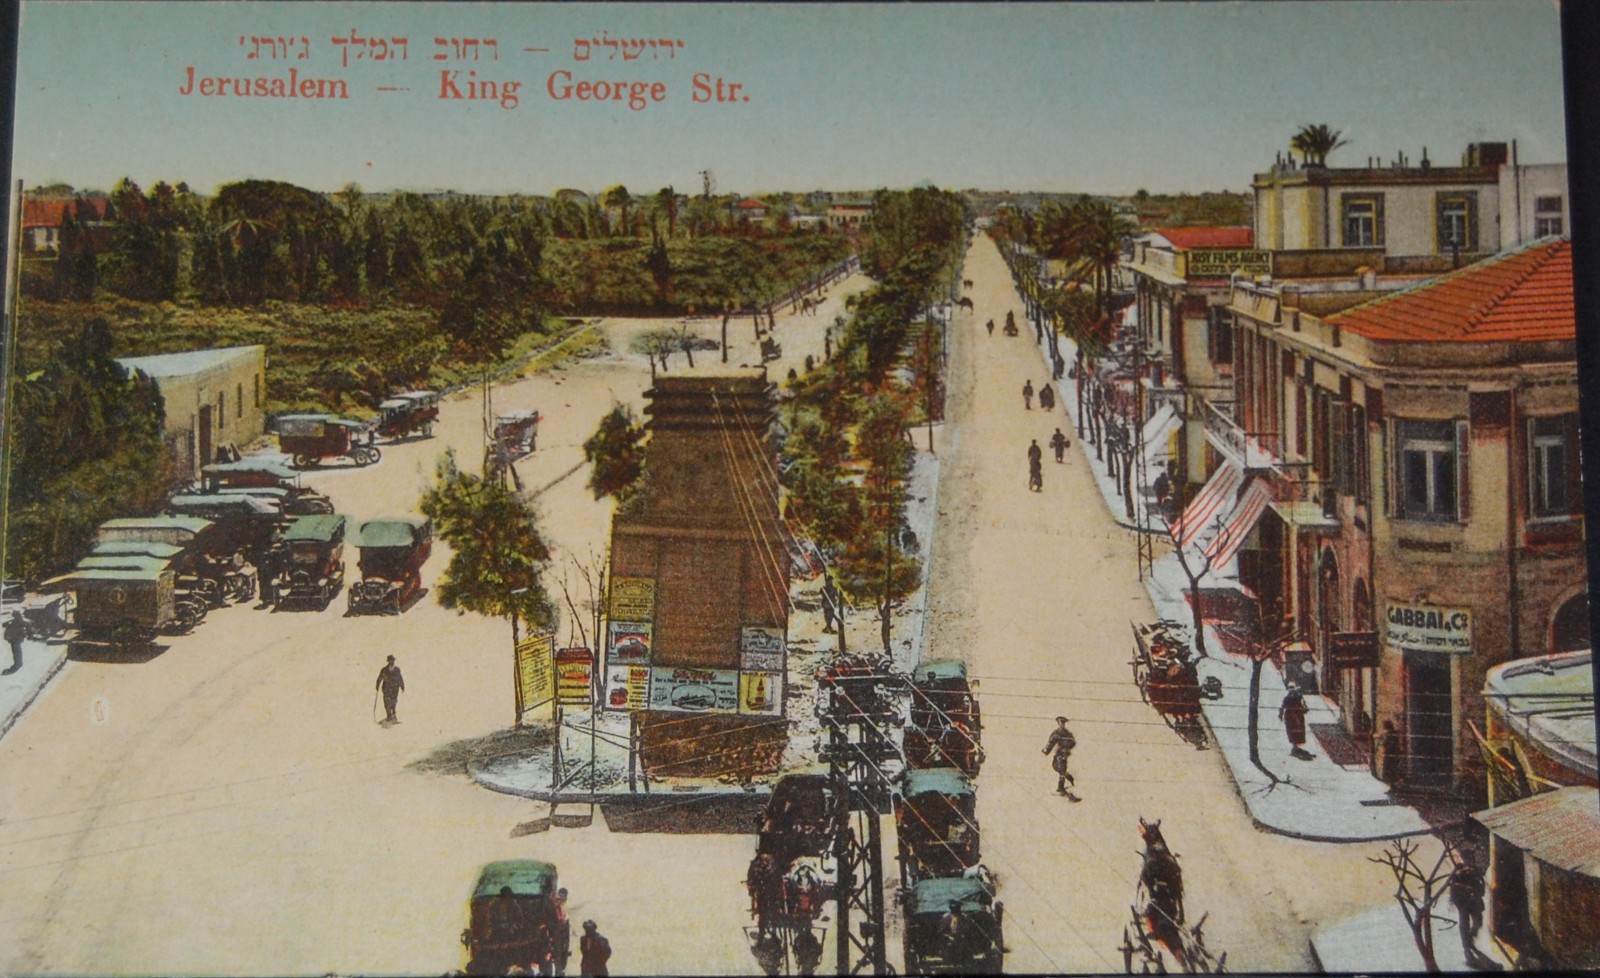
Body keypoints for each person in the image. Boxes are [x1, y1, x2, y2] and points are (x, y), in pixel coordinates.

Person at [1448, 860, 1486, 960]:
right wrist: (1460, 902)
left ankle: (1470, 937)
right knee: (1464, 925)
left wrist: (1478, 885)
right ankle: (1467, 948)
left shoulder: (1475, 875)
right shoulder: (1456, 877)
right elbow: (1453, 893)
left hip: (1475, 903)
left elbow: (1482, 891)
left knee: (1478, 923)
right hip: (1463, 904)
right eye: (1466, 868)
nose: (1468, 869)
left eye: (1469, 868)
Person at [1042, 715, 1077, 796]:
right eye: (1060, 723)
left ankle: (1061, 787)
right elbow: (1051, 742)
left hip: (1063, 753)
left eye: (1063, 723)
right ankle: (1068, 776)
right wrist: (1046, 750)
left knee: (1061, 768)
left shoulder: (1068, 733)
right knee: (1055, 766)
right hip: (1058, 752)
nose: (1061, 724)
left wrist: (1067, 748)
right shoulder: (1056, 733)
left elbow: (1073, 742)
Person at [1279, 683, 1312, 759]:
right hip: (1293, 716)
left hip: (1295, 716)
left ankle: (1295, 746)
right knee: (1294, 730)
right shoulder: (1290, 697)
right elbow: (1282, 707)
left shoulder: (1293, 697)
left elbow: (1283, 707)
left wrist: (1280, 715)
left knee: (1296, 730)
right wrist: (1281, 715)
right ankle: (1295, 746)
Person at [376, 655, 405, 724]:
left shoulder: (397, 669)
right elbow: (380, 678)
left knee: (393, 701)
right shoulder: (384, 669)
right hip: (386, 688)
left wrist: (402, 686)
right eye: (390, 660)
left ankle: (393, 713)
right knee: (386, 702)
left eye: (393, 660)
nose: (392, 662)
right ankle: (388, 715)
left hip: (394, 688)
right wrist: (377, 686)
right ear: (388, 661)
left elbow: (400, 678)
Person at [1380, 719, 1405, 790]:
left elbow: (1387, 745)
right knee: (1392, 770)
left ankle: (1393, 786)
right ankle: (1394, 785)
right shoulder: (1393, 734)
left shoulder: (1389, 735)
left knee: (1388, 770)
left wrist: (1382, 741)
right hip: (1393, 754)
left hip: (1389, 754)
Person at [552, 887, 572, 975]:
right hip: (556, 937)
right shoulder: (555, 905)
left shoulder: (563, 907)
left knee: (560, 963)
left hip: (561, 937)